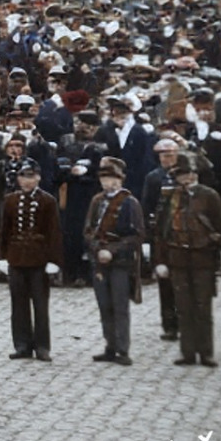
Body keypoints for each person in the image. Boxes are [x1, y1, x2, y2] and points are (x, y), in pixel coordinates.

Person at [153, 158, 221, 368]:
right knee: (183, 307)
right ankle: (187, 352)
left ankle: (206, 352)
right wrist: (160, 261)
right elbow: (160, 232)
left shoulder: (209, 196)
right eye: (180, 175)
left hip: (202, 260)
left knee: (203, 307)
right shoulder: (171, 198)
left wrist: (212, 244)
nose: (185, 179)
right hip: (177, 260)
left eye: (187, 174)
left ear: (195, 174)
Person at [0, 160, 61, 362]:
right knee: (19, 304)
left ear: (38, 177)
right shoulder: (10, 200)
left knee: (41, 305)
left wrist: (54, 259)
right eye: (23, 177)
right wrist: (2, 257)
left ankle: (42, 346)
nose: (26, 181)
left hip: (39, 259)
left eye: (31, 176)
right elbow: (3, 231)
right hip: (16, 258)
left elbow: (54, 232)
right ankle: (22, 344)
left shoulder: (48, 201)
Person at [83, 157, 144, 366]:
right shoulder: (97, 201)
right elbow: (89, 229)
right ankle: (110, 345)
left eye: (113, 179)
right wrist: (98, 248)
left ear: (121, 180)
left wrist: (113, 251)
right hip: (100, 259)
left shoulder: (130, 203)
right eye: (105, 179)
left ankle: (122, 349)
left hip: (121, 262)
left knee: (120, 305)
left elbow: (136, 235)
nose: (109, 183)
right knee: (104, 305)